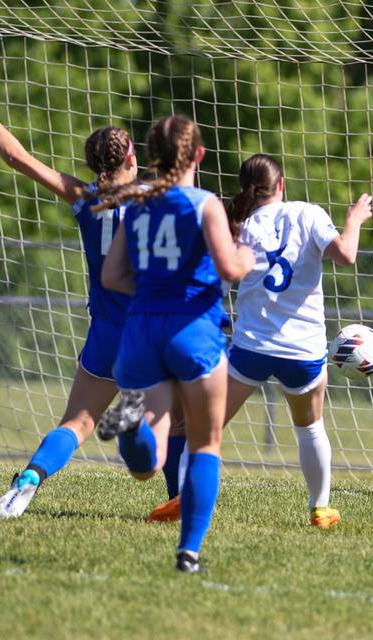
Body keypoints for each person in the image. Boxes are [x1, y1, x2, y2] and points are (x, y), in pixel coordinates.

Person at [145, 153, 373, 528]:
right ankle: (320, 509)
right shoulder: (308, 213)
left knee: (204, 427)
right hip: (303, 350)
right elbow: (346, 255)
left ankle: (184, 499)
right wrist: (354, 220)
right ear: (281, 184)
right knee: (310, 427)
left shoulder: (240, 225)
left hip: (250, 349)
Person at [0, 79, 141, 518]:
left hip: (106, 334)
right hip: (151, 332)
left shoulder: (85, 198)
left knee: (76, 423)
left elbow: (17, 157)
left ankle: (28, 481)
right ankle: (177, 497)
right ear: (132, 157)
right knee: (180, 424)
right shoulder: (158, 203)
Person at [96, 114, 255, 573]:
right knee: (206, 444)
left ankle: (132, 429)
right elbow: (228, 268)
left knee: (148, 463)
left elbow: (112, 276)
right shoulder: (205, 203)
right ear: (199, 155)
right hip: (193, 328)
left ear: (149, 156)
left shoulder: (138, 203)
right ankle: (189, 553)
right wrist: (245, 256)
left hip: (143, 329)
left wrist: (151, 293)